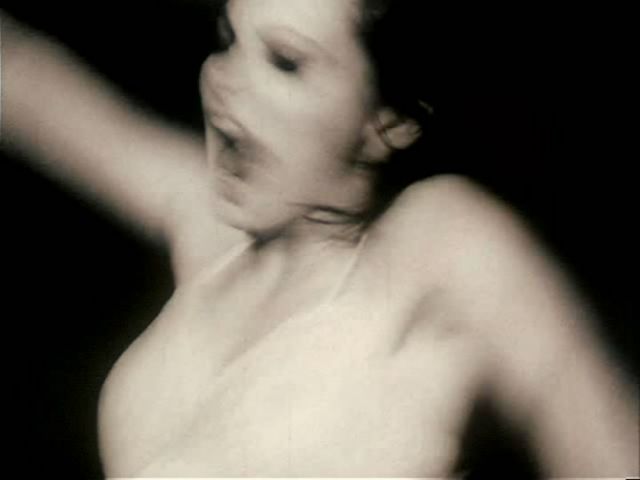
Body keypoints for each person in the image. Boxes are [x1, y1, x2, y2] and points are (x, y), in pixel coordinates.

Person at [2, 1, 638, 477]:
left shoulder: (440, 247)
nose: (224, 79)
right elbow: (22, 77)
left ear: (388, 121)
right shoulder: (213, 232)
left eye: (286, 61)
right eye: (227, 39)